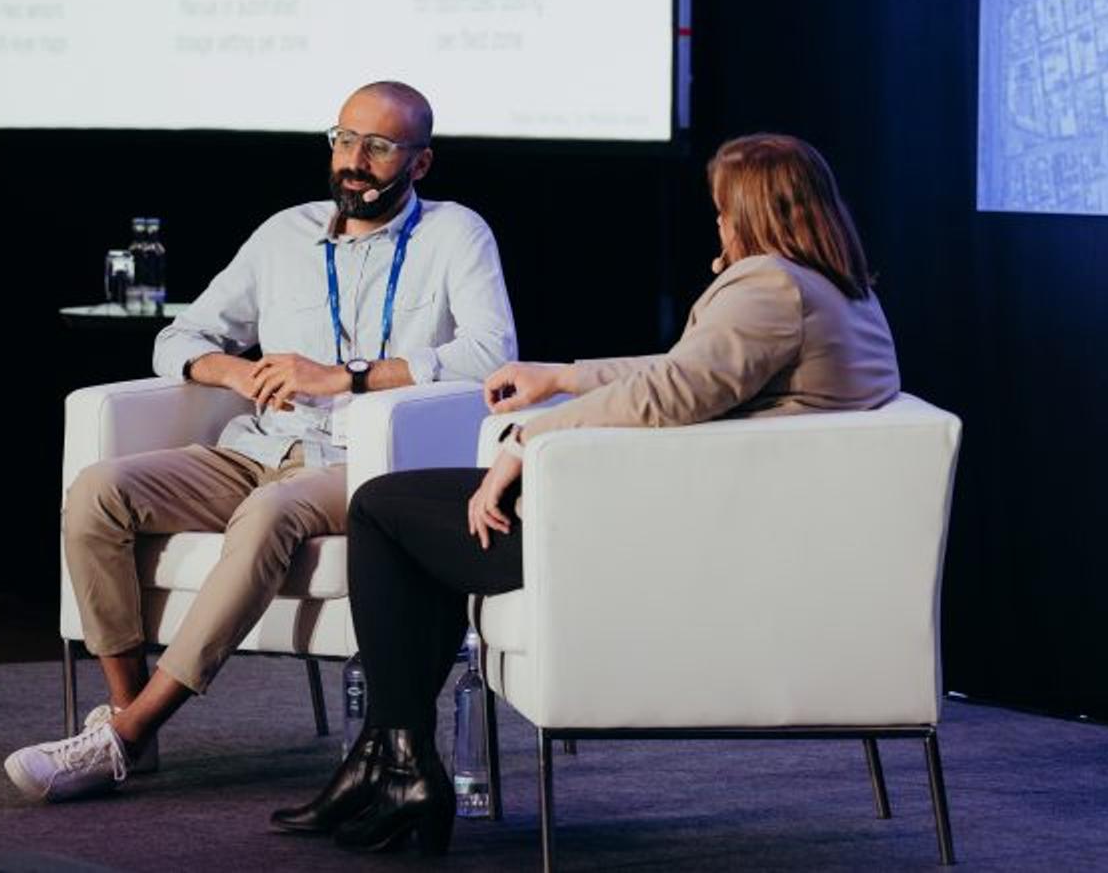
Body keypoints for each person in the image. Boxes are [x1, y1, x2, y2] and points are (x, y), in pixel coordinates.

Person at [270, 132, 900, 852]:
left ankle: (396, 762)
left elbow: (671, 392)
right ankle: (394, 761)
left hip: (654, 541)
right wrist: (564, 375)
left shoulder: (769, 290)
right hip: (716, 525)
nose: (717, 224)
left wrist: (526, 443)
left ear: (754, 213)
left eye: (724, 210)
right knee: (412, 516)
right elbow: (688, 371)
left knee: (382, 512)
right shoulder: (828, 288)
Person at [4, 80, 518, 802]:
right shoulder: (285, 235)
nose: (354, 160)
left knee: (267, 515)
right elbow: (179, 336)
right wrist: (237, 373)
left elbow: (491, 354)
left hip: (361, 460)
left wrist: (349, 376)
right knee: (97, 492)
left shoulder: (454, 234)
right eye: (343, 140)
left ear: (420, 163)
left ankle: (128, 735)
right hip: (258, 446)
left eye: (377, 146)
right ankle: (123, 713)